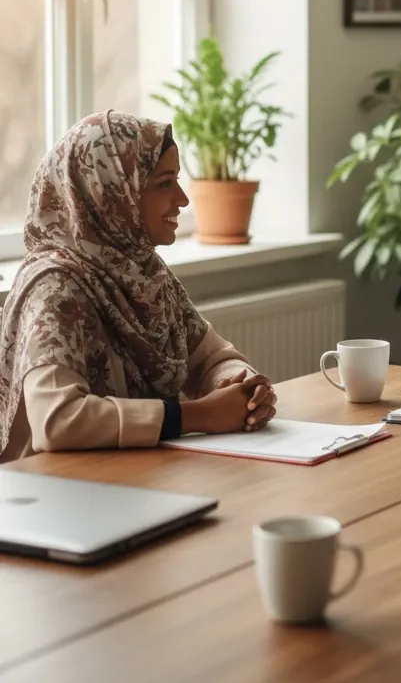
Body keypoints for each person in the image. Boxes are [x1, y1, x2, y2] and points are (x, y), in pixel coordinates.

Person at [0, 111, 277, 462]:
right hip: (55, 493)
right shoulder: (55, 287)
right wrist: (198, 415)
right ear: (111, 194)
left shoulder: (143, 273)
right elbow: (56, 421)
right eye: (164, 184)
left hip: (132, 480)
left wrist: (242, 387)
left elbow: (210, 359)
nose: (182, 198)